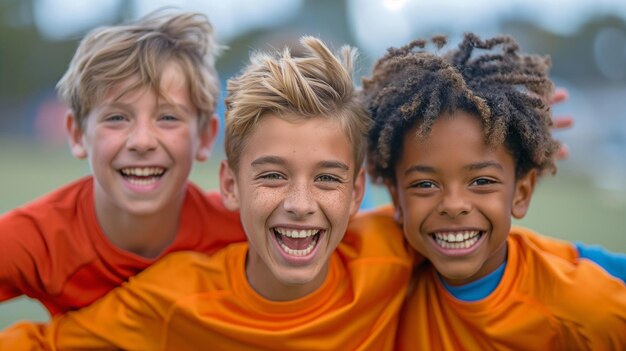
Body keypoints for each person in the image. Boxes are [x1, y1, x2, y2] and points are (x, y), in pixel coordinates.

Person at [0, 36, 414, 350]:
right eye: (272, 176)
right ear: (230, 186)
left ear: (357, 190)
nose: (300, 204)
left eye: (327, 179)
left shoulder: (398, 253)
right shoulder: (170, 299)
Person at [361, 33, 626, 350]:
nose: (454, 205)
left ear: (521, 192)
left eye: (482, 181)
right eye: (425, 184)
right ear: (395, 198)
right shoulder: (380, 281)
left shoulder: (589, 310)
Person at [0, 10, 246, 316]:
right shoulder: (40, 239)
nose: (142, 141)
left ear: (206, 137)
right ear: (77, 134)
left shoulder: (244, 228)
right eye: (116, 118)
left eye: (168, 117)